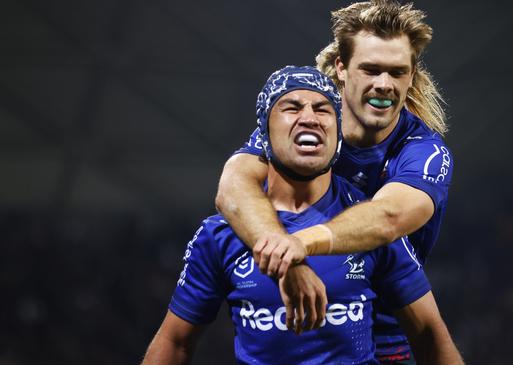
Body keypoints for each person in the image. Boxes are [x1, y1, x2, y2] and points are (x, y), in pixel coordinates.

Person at [141, 66, 459, 365]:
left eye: (323, 110)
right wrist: (289, 260)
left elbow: (431, 337)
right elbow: (175, 343)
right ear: (263, 134)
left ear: (337, 137)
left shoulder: (367, 225)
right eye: (292, 108)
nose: (309, 117)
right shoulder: (220, 235)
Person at [215, 1, 458, 363]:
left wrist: (296, 247)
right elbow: (233, 186)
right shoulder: (308, 127)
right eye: (371, 69)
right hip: (290, 321)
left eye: (396, 72)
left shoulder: (424, 152)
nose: (384, 84)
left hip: (385, 338)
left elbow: (388, 217)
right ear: (342, 69)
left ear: (411, 76)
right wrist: (289, 258)